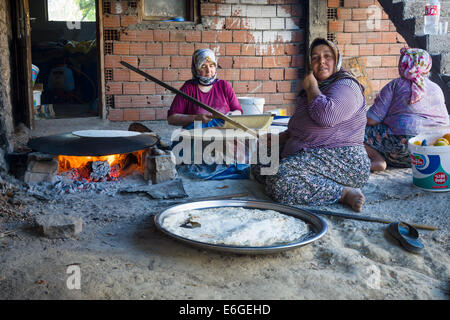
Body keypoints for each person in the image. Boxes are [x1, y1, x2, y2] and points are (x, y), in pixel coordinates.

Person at [254, 38, 370, 212]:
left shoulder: (347, 85)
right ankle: (309, 180)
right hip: (312, 151)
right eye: (315, 58)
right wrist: (281, 138)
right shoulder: (321, 85)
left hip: (343, 158)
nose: (321, 61)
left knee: (281, 181)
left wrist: (311, 88)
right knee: (261, 161)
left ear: (337, 60)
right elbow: (302, 124)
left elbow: (326, 116)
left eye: (327, 56)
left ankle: (343, 192)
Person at [364, 47, 449, 171]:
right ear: (427, 66)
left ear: (402, 64)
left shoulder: (395, 85)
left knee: (355, 131)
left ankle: (378, 160)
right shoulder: (436, 88)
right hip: (431, 151)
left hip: (400, 148)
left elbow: (371, 119)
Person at [167, 48, 242, 128]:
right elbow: (172, 118)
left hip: (223, 134)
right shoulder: (188, 88)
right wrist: (195, 118)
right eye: (203, 66)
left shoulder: (224, 86)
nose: (208, 71)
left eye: (211, 66)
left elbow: (238, 111)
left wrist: (230, 115)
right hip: (197, 136)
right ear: (196, 69)